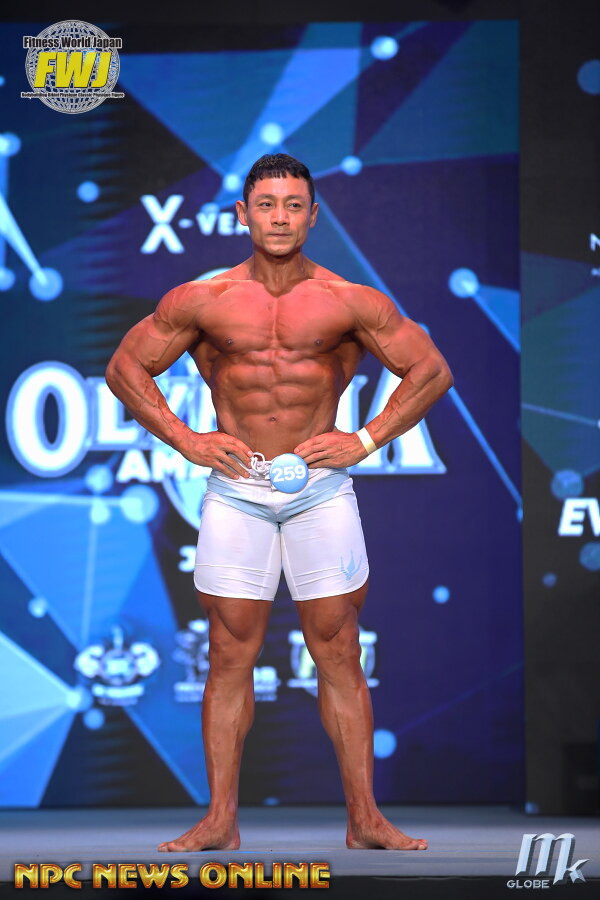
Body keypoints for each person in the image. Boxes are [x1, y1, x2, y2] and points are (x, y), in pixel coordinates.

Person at [105, 153, 453, 852]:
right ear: (242, 214)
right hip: (238, 489)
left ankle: (365, 820)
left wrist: (365, 438)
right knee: (228, 652)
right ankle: (220, 821)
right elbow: (124, 367)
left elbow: (430, 370)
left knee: (339, 648)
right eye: (267, 205)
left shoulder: (349, 300)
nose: (280, 218)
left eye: (294, 205)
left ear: (313, 215)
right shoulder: (203, 299)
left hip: (319, 491)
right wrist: (186, 439)